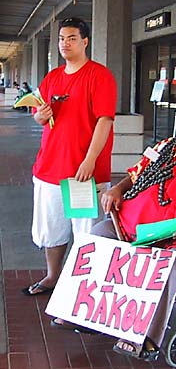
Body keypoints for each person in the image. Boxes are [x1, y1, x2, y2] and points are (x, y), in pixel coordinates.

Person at [51, 90, 176, 361]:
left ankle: (146, 335)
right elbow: (134, 174)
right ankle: (82, 313)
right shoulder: (165, 146)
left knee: (168, 264)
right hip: (139, 223)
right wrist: (117, 189)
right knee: (98, 235)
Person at [22, 17, 117, 296]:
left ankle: (85, 288)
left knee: (87, 233)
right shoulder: (52, 77)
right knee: (52, 227)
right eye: (62, 38)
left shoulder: (99, 76)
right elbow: (37, 111)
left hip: (82, 175)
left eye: (72, 38)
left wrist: (89, 160)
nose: (65, 43)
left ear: (85, 41)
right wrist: (39, 116)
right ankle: (53, 276)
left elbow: (105, 121)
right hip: (50, 168)